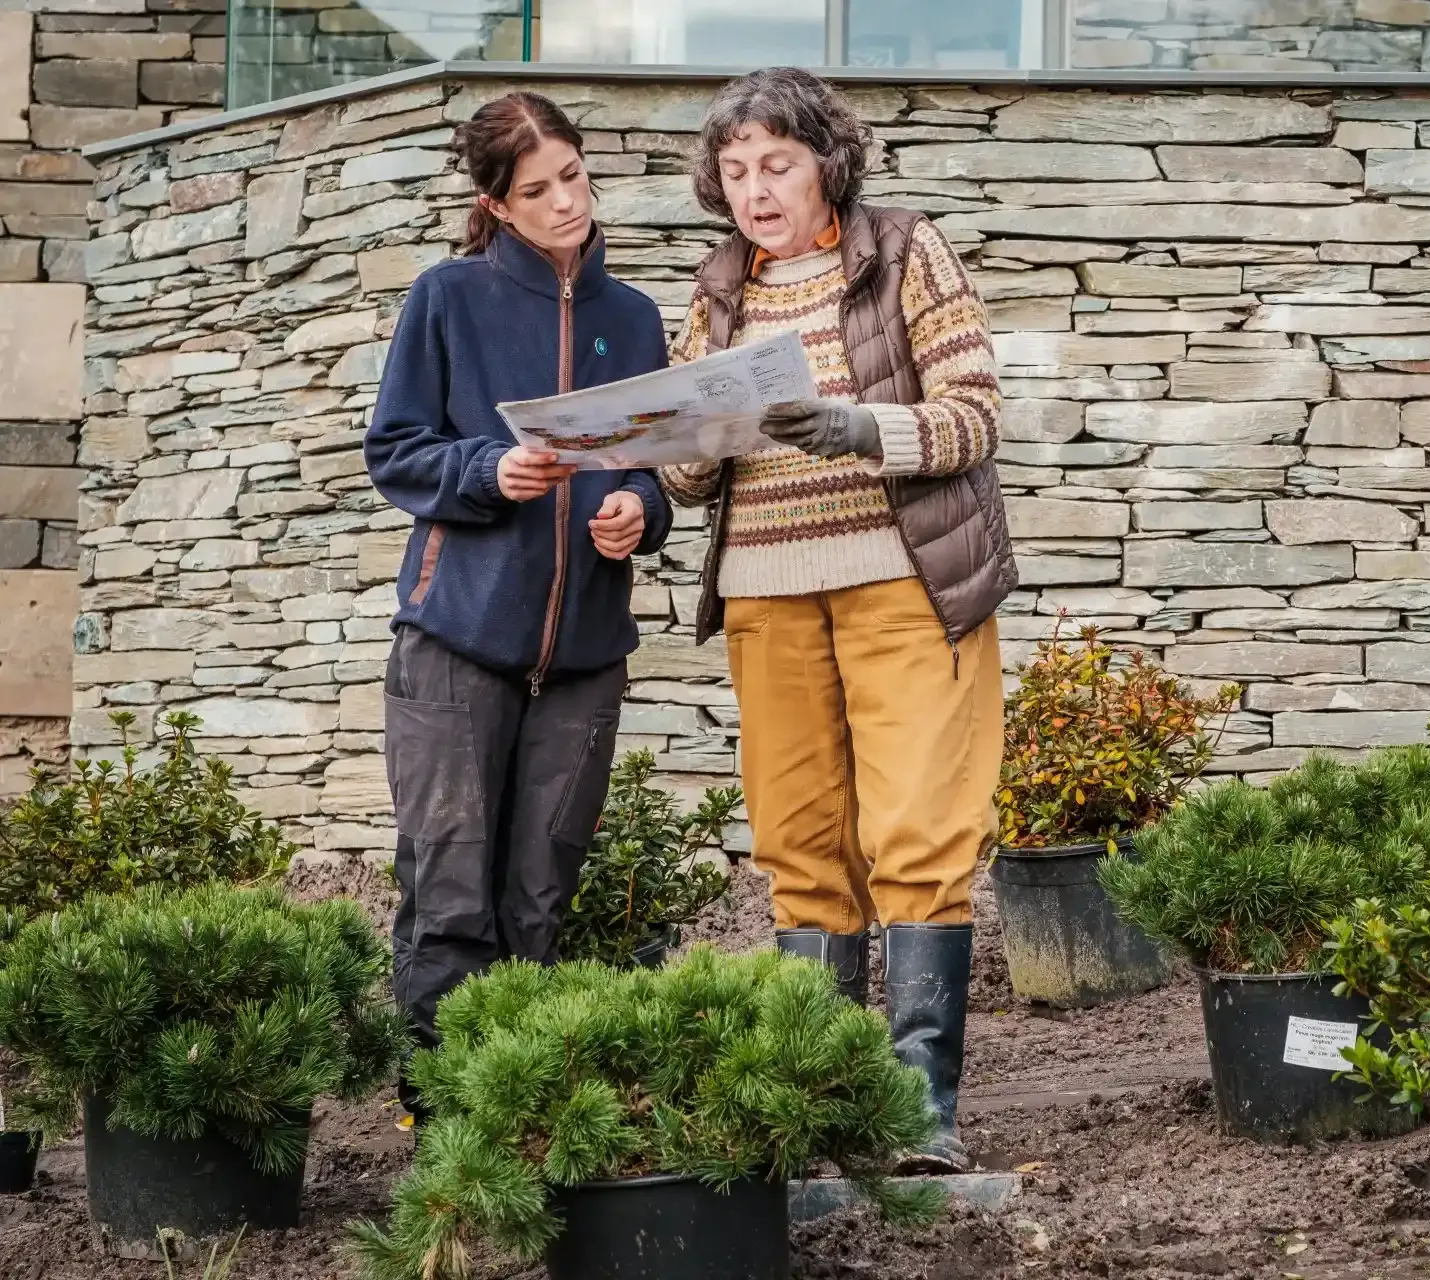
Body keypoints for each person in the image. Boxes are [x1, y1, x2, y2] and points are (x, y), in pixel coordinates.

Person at [661, 67, 1015, 1173]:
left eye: (778, 164)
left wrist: (856, 426)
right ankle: (819, 1106)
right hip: (768, 594)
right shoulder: (718, 292)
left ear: (827, 162)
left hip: (904, 581)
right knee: (802, 850)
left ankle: (918, 1113)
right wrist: (681, 443)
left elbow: (974, 418)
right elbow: (684, 481)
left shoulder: (906, 249)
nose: (758, 189)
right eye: (737, 171)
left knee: (915, 835)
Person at [363, 92, 672, 1122]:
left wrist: (639, 507)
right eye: (536, 191)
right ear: (494, 205)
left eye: (574, 177)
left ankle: (515, 1117)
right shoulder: (446, 298)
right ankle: (442, 1124)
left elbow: (655, 466)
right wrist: (492, 470)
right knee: (449, 896)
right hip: (456, 640)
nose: (564, 203)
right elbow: (396, 449)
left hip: (584, 654)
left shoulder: (632, 319)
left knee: (538, 900)